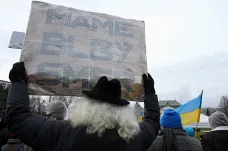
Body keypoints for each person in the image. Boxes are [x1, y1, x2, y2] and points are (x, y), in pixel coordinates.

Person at [6, 62, 160, 151]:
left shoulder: (64, 133)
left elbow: (18, 118)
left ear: (88, 106)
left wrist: (18, 82)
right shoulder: (135, 138)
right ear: (122, 111)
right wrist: (150, 93)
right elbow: (153, 121)